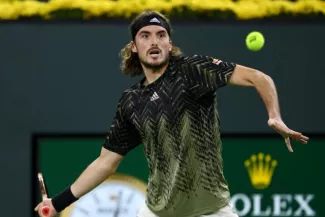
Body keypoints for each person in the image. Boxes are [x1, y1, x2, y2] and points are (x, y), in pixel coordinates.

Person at [34, 10, 309, 217]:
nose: (154, 41)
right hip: (158, 212)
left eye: (160, 35)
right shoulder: (131, 101)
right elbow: (106, 163)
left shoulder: (193, 70)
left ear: (169, 43)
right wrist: (58, 204)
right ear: (134, 47)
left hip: (212, 210)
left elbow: (258, 78)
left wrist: (275, 115)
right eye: (145, 36)